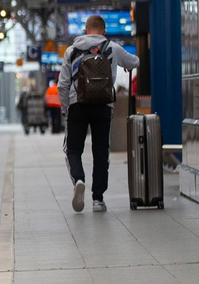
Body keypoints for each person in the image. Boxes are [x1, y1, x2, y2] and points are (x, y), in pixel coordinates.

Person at [57, 15, 139, 213]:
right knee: (101, 152)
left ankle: (78, 179)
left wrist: (65, 108)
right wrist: (125, 64)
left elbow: (63, 85)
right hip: (103, 105)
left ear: (85, 30)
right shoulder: (112, 48)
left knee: (73, 149)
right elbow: (135, 61)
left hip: (78, 105)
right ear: (103, 31)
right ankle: (98, 199)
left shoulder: (71, 51)